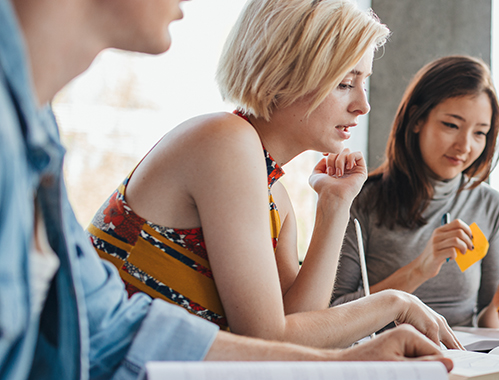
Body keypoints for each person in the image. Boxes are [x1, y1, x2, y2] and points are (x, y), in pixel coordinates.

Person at [0, 0, 453, 378]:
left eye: (363, 82)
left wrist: (335, 205)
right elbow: (266, 337)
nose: (363, 104)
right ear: (284, 74)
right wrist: (393, 302)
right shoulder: (225, 142)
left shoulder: (272, 189)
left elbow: (297, 322)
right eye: (344, 82)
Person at [331, 55, 499, 328]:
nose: (464, 146)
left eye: (480, 133)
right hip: (388, 361)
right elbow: (330, 314)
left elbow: (489, 328)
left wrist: (497, 309)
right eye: (451, 125)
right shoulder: (362, 199)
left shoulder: (489, 204)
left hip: (464, 363)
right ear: (417, 119)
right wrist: (419, 269)